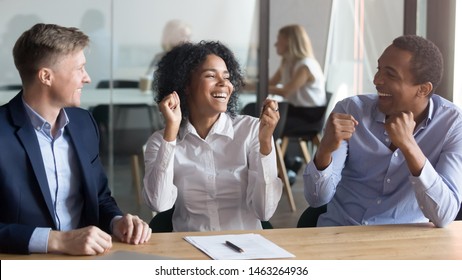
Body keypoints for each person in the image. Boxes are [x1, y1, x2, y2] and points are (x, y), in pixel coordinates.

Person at [0, 23, 151, 255]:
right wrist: (56, 241)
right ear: (46, 76)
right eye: (79, 69)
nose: (87, 78)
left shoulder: (83, 123)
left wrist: (117, 221)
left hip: (87, 262)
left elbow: (99, 198)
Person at [303, 35, 462, 228]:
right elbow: (316, 199)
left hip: (405, 246)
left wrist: (409, 146)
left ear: (423, 89)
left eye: (391, 74)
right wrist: (324, 151)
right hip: (341, 236)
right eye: (379, 69)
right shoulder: (350, 111)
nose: (377, 80)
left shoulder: (453, 125)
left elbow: (444, 215)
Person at [143, 41, 283, 232]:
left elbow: (265, 212)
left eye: (226, 77)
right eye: (211, 75)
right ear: (186, 85)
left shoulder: (252, 130)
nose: (224, 83)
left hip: (245, 247)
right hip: (188, 248)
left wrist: (266, 143)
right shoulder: (160, 141)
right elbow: (158, 204)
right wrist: (172, 130)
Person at [268, 24, 327, 135]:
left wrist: (256, 87)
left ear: (289, 42)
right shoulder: (286, 63)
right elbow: (269, 84)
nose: (275, 44)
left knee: (263, 120)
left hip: (309, 117)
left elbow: (286, 92)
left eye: (279, 39)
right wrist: (248, 85)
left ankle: (266, 151)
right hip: (294, 111)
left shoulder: (306, 66)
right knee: (252, 109)